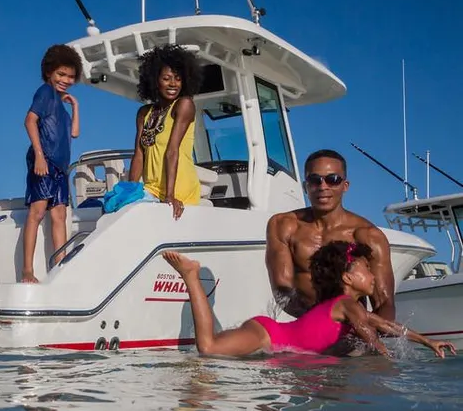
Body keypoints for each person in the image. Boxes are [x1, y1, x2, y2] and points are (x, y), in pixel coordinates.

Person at [162, 242, 456, 358]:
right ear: (348, 277)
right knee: (209, 348)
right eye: (367, 270)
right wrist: (385, 357)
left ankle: (191, 277)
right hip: (268, 333)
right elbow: (370, 332)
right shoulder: (347, 304)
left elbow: (381, 324)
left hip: (273, 336)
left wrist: (427, 341)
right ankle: (191, 274)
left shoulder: (348, 306)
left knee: (212, 346)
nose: (374, 276)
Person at [265, 149, 397, 322]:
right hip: (309, 324)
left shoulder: (367, 236)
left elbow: (384, 302)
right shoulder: (283, 226)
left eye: (333, 179)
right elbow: (282, 290)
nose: (323, 186)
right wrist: (321, 322)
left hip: (353, 330)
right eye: (314, 180)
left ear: (345, 186)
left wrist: (371, 334)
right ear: (306, 187)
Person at [21, 44, 83, 284]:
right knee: (36, 213)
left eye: (70, 76)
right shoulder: (45, 93)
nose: (65, 80)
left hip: (60, 166)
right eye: (61, 74)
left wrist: (75, 106)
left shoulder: (61, 106)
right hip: (44, 160)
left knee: (59, 215)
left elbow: (75, 133)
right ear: (49, 72)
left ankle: (61, 268)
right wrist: (38, 155)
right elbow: (29, 121)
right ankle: (27, 270)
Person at [128, 44, 203, 220]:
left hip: (178, 188)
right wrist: (130, 191)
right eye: (166, 78)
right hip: (151, 188)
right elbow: (139, 155)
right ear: (155, 80)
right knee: (119, 207)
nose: (173, 84)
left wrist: (170, 195)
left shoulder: (184, 105)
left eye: (177, 78)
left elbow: (172, 150)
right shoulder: (144, 113)